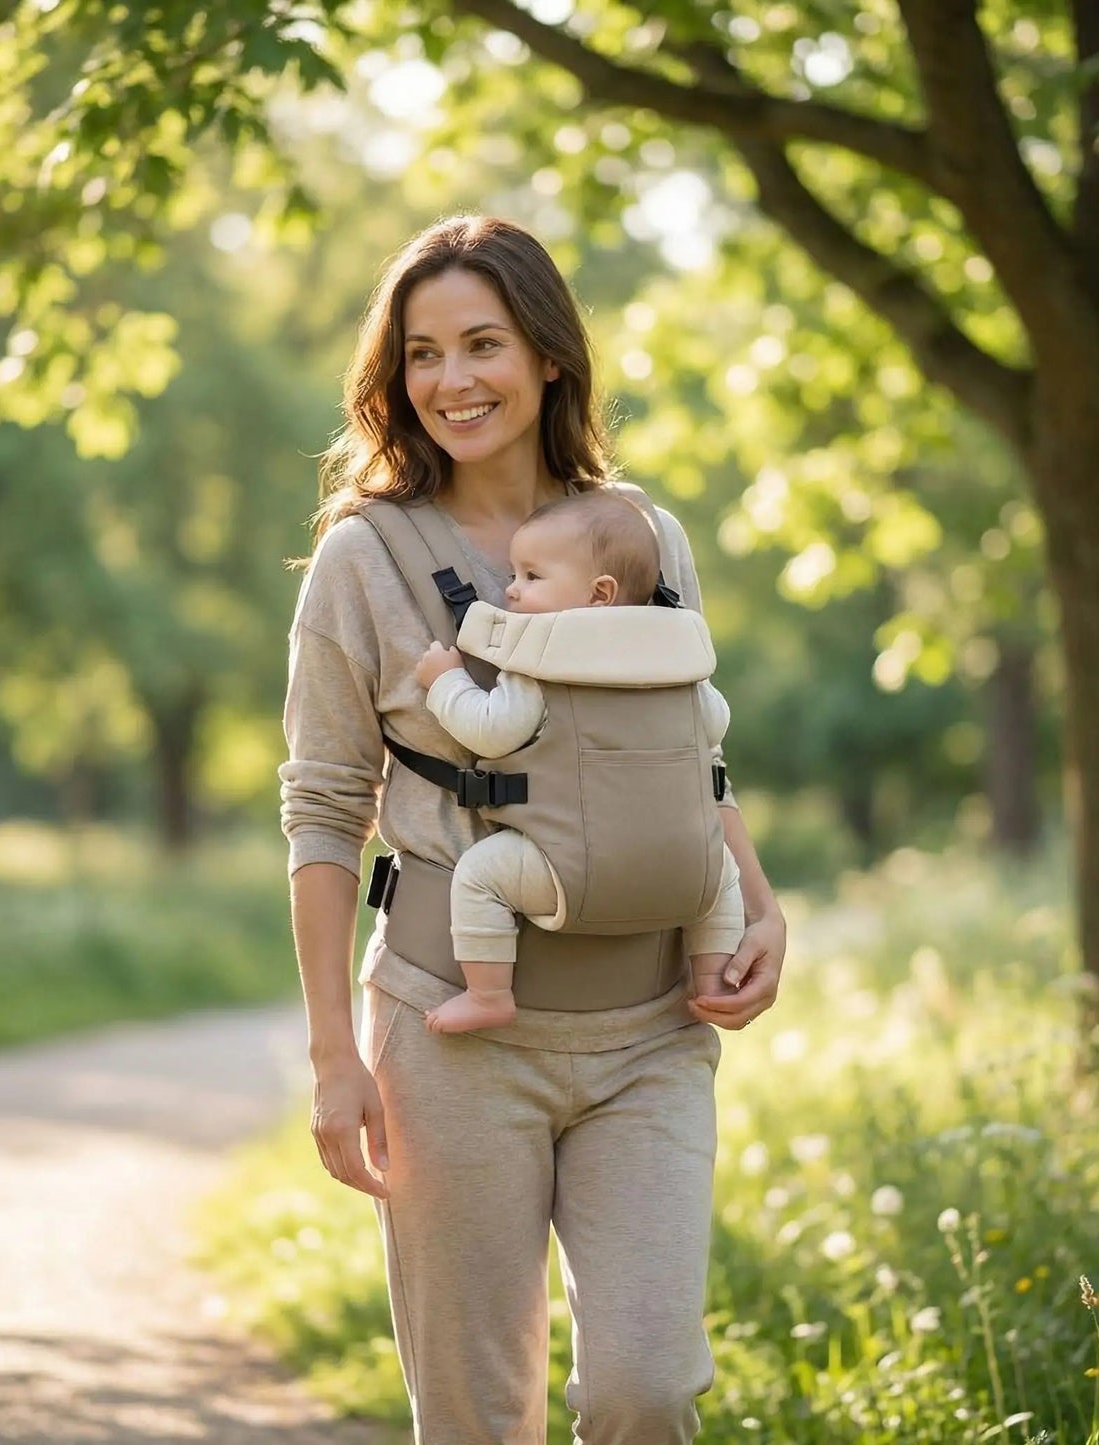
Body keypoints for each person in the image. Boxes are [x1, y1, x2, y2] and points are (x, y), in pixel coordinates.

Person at [279, 214, 787, 1444]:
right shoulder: (364, 560)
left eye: (482, 344)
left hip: (650, 1033)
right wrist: (334, 1056)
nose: (451, 381)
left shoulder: (643, 538)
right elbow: (322, 809)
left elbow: (687, 755)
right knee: (472, 1416)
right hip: (451, 1039)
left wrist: (758, 906)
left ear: (548, 355)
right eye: (420, 354)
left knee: (646, 1390)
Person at [414, 488, 746, 1034]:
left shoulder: (539, 662)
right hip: (682, 868)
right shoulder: (676, 660)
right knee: (722, 877)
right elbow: (713, 723)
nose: (511, 591)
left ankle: (488, 993)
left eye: (531, 577)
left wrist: (445, 681)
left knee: (478, 875)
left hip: (568, 867)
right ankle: (710, 981)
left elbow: (491, 733)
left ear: (599, 594)